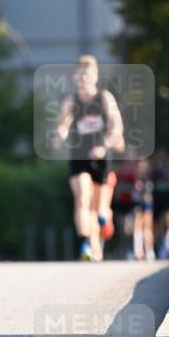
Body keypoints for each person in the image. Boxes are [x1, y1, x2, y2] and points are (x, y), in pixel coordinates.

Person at [54, 55, 125, 261]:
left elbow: (117, 127)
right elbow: (62, 124)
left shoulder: (104, 98)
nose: (83, 78)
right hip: (78, 156)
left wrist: (105, 145)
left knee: (98, 208)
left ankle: (101, 231)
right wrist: (60, 135)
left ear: (95, 76)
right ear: (75, 77)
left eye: (87, 74)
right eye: (80, 74)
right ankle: (86, 243)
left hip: (100, 159)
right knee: (82, 199)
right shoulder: (71, 100)